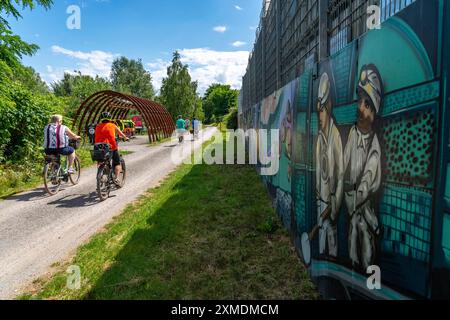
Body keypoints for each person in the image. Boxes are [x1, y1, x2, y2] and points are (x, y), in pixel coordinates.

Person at [344, 64, 383, 270]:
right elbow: (344, 164)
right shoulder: (353, 133)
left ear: (374, 110)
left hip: (364, 207)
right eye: (360, 101)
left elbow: (368, 178)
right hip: (352, 205)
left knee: (366, 241)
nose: (360, 107)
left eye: (366, 104)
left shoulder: (374, 146)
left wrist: (355, 200)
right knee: (352, 240)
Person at [315, 72, 344, 259]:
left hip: (331, 205)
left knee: (331, 245)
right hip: (320, 201)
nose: (319, 115)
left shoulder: (335, 137)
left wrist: (335, 207)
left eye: (322, 110)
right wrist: (318, 195)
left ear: (329, 107)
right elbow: (319, 170)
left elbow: (340, 174)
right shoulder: (320, 138)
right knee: (320, 245)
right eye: (318, 111)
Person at [95, 111, 129, 185]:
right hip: (111, 147)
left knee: (101, 160)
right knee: (117, 163)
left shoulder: (97, 126)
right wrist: (125, 137)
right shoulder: (112, 125)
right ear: (109, 118)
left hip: (98, 147)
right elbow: (120, 133)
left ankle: (101, 173)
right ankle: (116, 178)